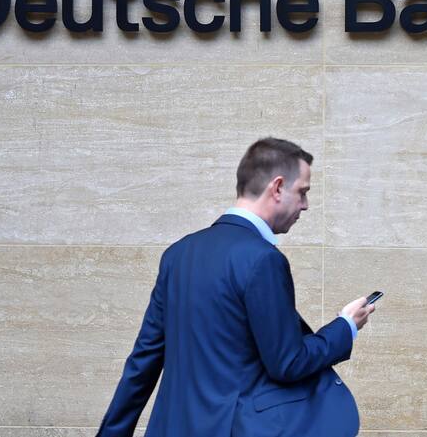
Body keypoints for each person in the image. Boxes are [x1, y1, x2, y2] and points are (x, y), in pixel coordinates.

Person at [96, 137, 376, 437]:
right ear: (278, 187)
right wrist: (345, 327)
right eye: (303, 192)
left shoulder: (178, 254)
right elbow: (287, 362)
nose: (305, 205)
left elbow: (144, 361)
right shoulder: (263, 260)